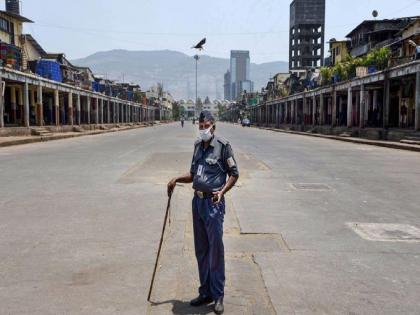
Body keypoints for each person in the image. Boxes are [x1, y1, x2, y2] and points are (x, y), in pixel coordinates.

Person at [167, 111, 239, 314]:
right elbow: (192, 174)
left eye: (206, 125)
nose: (202, 129)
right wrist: (175, 179)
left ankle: (218, 295)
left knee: (215, 249)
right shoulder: (198, 147)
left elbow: (234, 174)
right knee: (201, 249)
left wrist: (222, 191)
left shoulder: (223, 147)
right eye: (200, 126)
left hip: (213, 204)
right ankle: (205, 291)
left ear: (213, 127)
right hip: (197, 202)